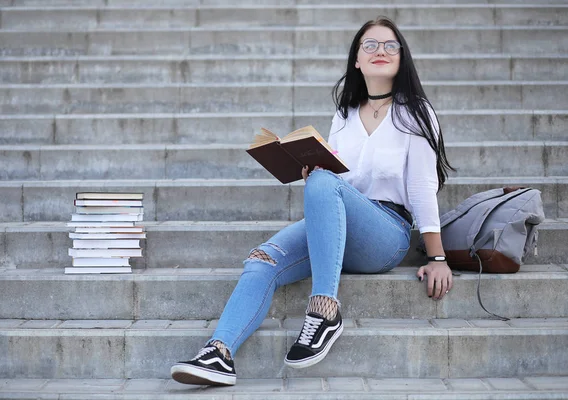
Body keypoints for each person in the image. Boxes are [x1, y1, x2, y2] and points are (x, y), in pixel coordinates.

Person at [170, 16, 455, 386]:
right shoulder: (345, 114)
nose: (380, 51)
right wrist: (316, 172)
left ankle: (324, 312)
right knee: (263, 259)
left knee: (322, 183)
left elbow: (421, 187)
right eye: (369, 45)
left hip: (386, 233)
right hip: (337, 225)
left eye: (390, 45)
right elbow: (341, 180)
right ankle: (218, 353)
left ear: (402, 58)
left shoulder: (415, 113)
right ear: (357, 59)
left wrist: (437, 257)